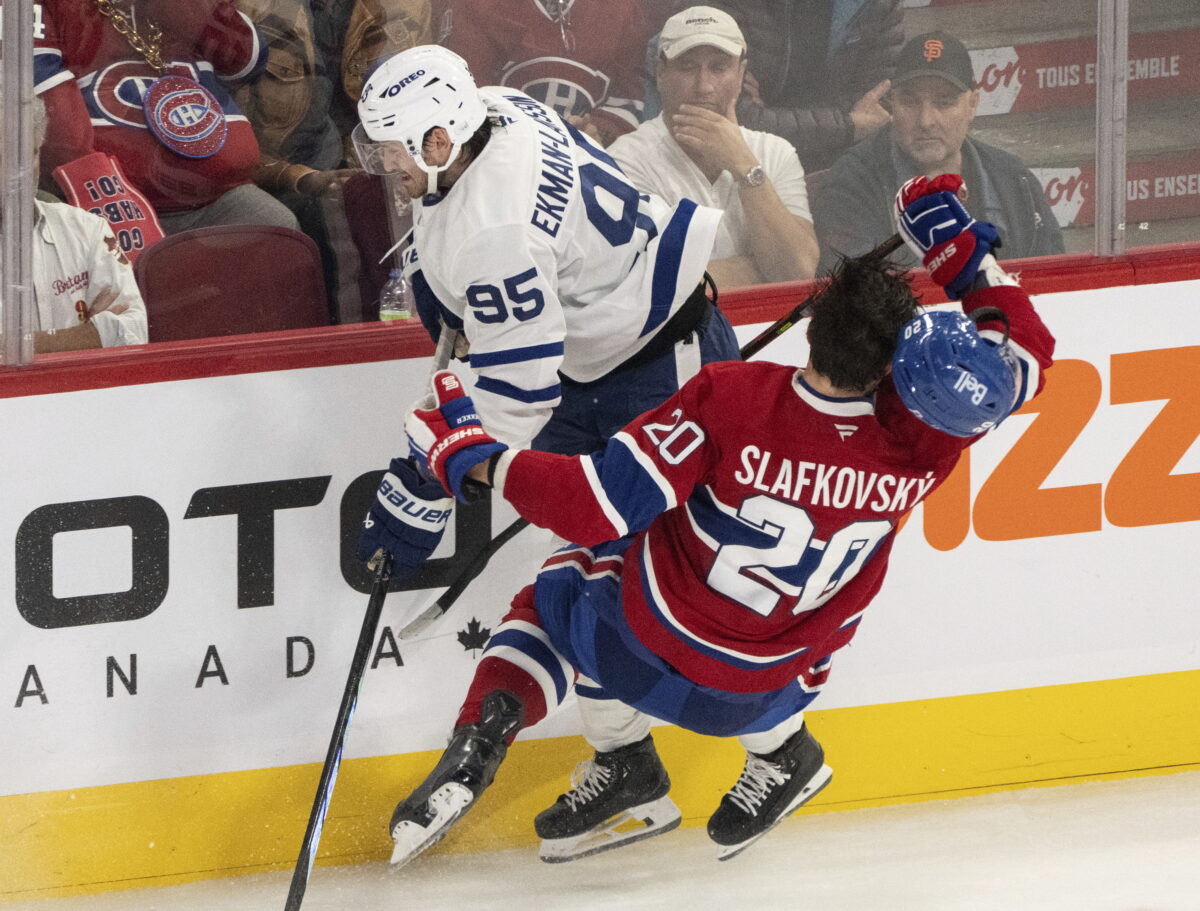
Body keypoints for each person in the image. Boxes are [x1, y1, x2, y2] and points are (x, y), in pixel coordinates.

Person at [360, 173, 1057, 865]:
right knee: (657, 573)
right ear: (893, 373)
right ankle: (779, 753)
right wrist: (958, 250)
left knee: (574, 573)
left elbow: (589, 499)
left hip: (635, 652)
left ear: (812, 327)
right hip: (768, 689)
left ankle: (500, 737)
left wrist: (474, 459)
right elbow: (1026, 350)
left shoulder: (735, 397)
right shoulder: (931, 438)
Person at [352, 44, 739, 456]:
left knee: (681, 519)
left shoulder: (497, 232)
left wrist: (458, 463)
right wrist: (432, 271)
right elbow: (450, 198)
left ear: (440, 141)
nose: (386, 162)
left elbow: (517, 391)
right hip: (596, 349)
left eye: (393, 148)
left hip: (661, 359)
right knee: (576, 515)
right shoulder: (500, 103)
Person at [34, 0, 299, 234]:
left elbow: (247, 61)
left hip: (222, 195)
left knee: (278, 228)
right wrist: (103, 197)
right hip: (107, 203)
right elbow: (47, 111)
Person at [812, 31, 1065, 273]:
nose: (925, 121)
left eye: (944, 103)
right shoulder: (854, 179)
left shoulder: (1011, 177)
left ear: (972, 106)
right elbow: (855, 295)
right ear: (893, 104)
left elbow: (1053, 283)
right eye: (910, 102)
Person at [609, 6, 818, 288]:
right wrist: (760, 270)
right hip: (674, 331)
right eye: (687, 67)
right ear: (660, 73)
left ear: (741, 73)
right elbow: (647, 285)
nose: (704, 86)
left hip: (767, 324)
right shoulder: (624, 161)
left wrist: (744, 165)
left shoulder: (777, 152)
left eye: (719, 67)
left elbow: (797, 273)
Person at [647, 0, 903, 172]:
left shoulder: (875, 4)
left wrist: (771, 115)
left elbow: (876, 110)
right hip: (721, 163)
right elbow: (723, 117)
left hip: (837, 164)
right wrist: (847, 125)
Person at [5, 88, 149, 353]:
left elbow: (135, 332)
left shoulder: (89, 229)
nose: (22, 172)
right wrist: (86, 336)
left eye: (31, 154)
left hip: (84, 391)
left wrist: (19, 345)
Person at [441, 0, 653, 147]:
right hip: (497, 159)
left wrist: (597, 133)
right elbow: (459, 103)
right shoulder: (474, 6)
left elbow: (626, 100)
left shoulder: (623, 10)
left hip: (584, 165)